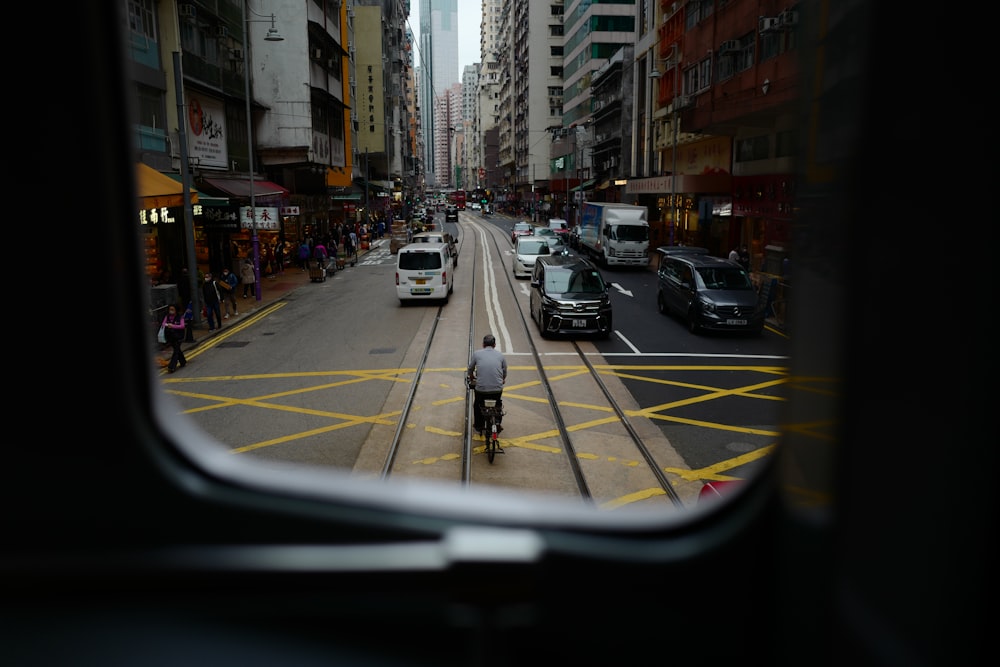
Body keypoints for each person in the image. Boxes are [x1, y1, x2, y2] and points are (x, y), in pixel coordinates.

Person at [467, 334, 508, 436]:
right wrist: (502, 380)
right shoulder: (500, 355)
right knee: (498, 403)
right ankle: (497, 422)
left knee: (477, 405)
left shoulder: (477, 354)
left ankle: (478, 425)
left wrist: (472, 377)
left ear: (483, 344)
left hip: (481, 389)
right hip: (497, 389)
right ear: (494, 345)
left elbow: (470, 369)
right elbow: (504, 371)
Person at [161, 304, 187, 373]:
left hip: (179, 336)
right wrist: (167, 325)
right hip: (171, 336)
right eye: (170, 309)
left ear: (176, 310)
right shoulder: (167, 317)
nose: (171, 311)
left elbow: (182, 326)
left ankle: (171, 366)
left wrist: (173, 326)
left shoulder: (180, 317)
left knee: (176, 351)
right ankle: (183, 361)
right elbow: (163, 324)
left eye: (172, 309)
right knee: (177, 349)